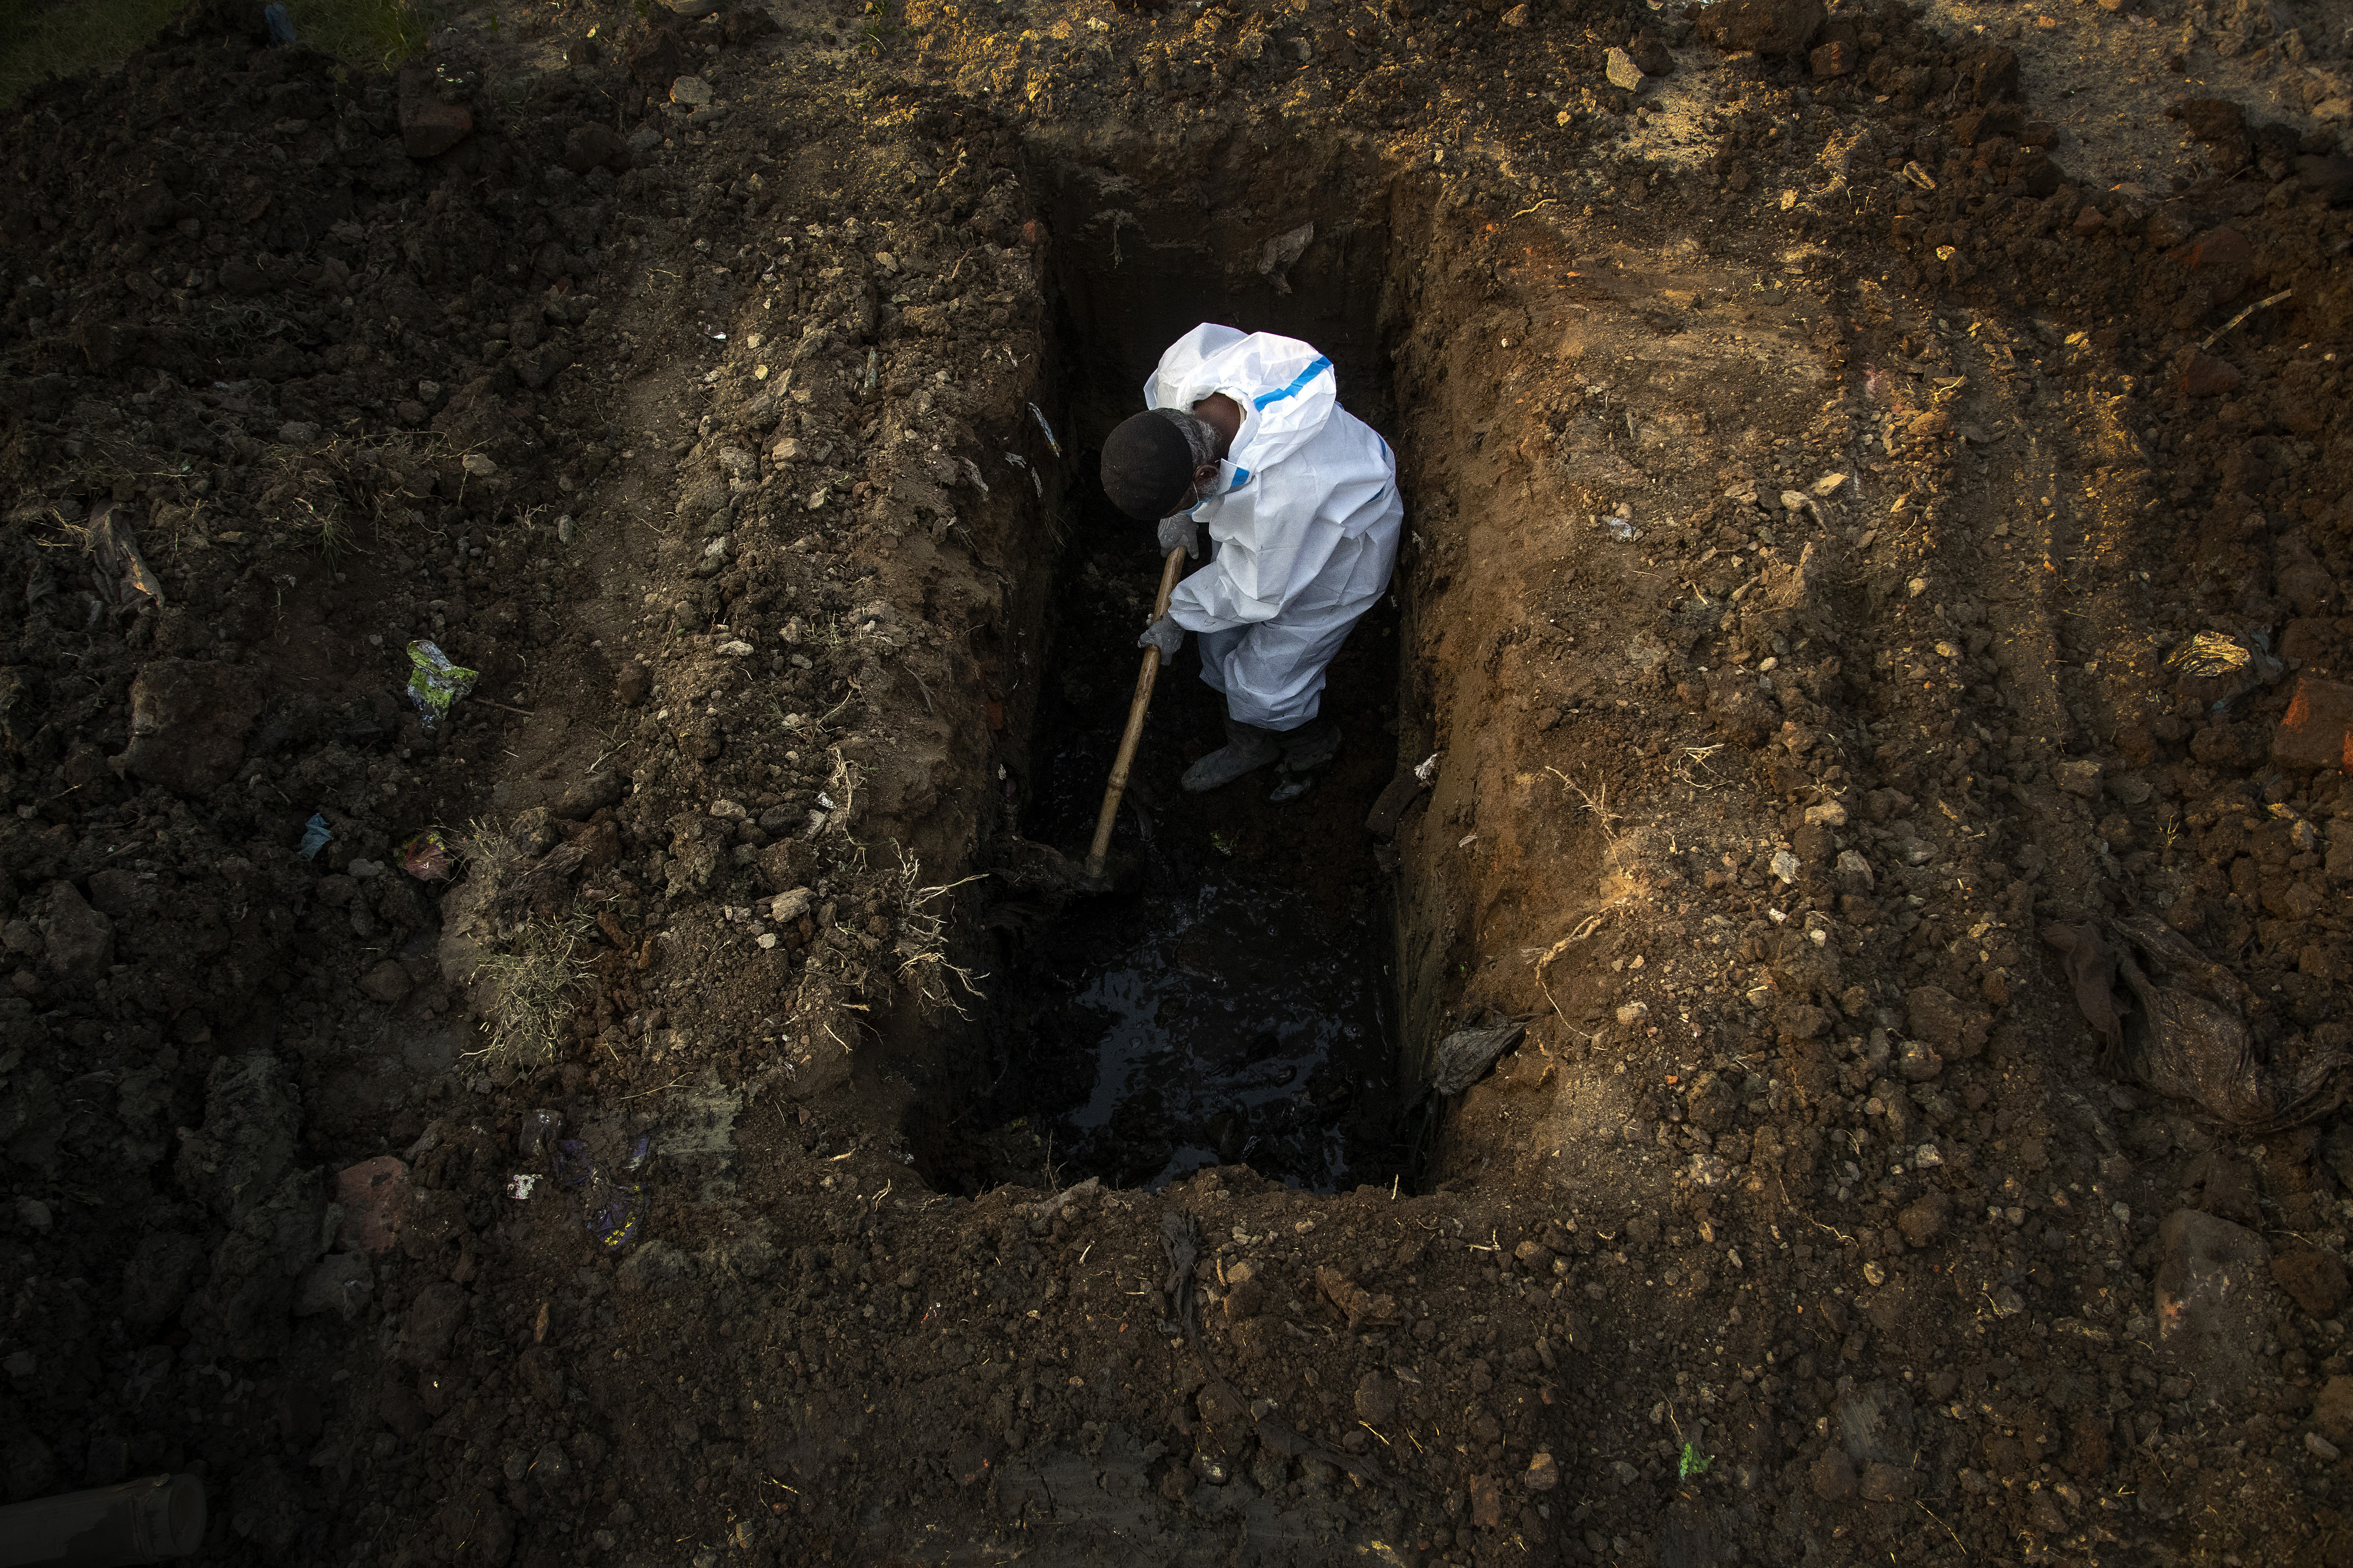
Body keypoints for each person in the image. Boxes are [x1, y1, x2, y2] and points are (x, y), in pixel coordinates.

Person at [1098, 323, 1403, 799]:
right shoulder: (1184, 378)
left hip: (1342, 541)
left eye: (1181, 502)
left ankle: (1313, 748)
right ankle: (1248, 745)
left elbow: (1255, 591)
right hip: (1269, 528)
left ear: (1203, 474)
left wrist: (1179, 614)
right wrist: (1184, 514)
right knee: (1219, 642)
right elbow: (1164, 436)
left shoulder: (1279, 499)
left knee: (1266, 686)